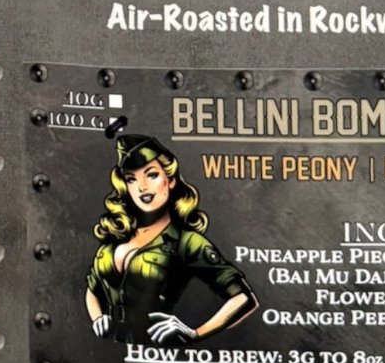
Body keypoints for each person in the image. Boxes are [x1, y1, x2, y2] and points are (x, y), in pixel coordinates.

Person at [85, 134, 258, 344]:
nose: (142, 187)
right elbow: (92, 290)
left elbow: (243, 298)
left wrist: (195, 334)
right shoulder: (116, 237)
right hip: (110, 353)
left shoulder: (186, 241)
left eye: (152, 175)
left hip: (156, 353)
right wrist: (98, 318)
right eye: (131, 179)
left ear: (170, 180)